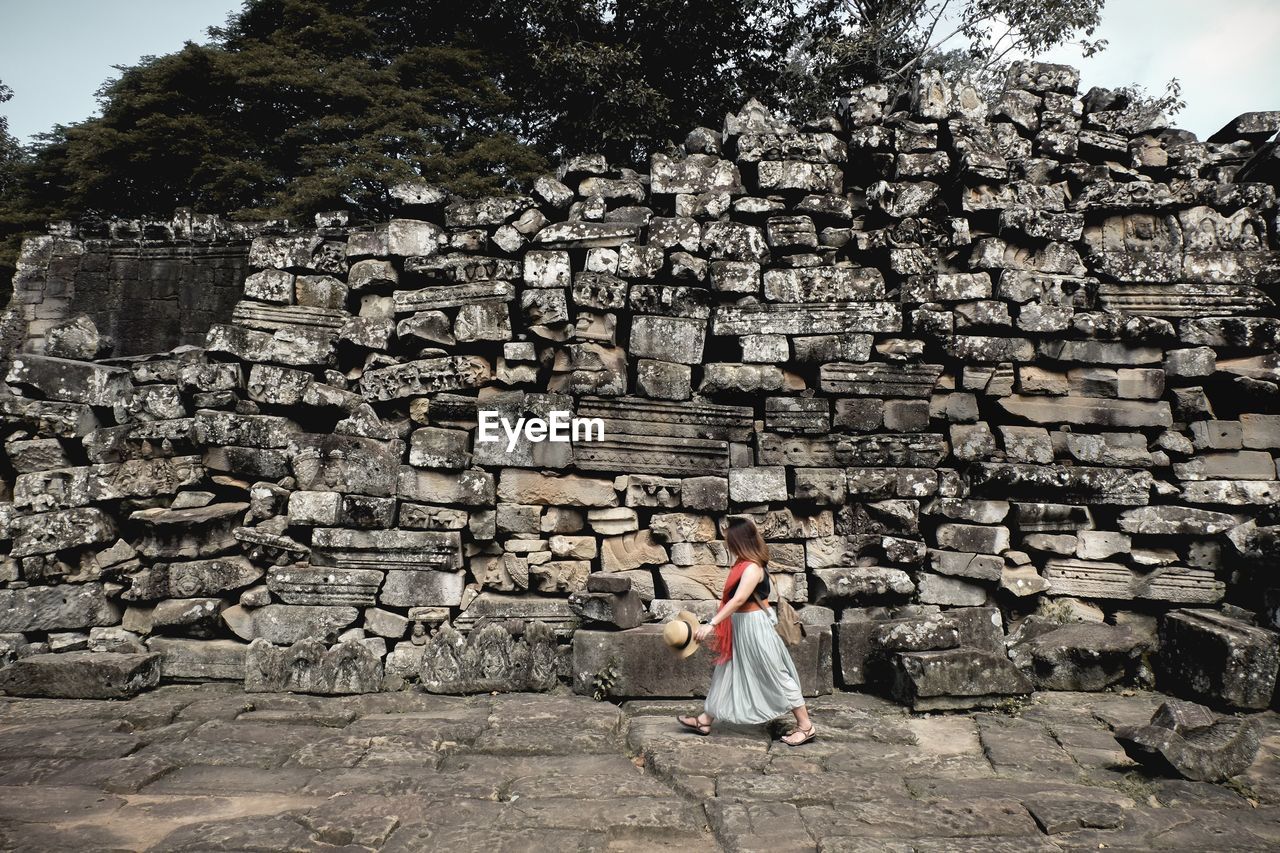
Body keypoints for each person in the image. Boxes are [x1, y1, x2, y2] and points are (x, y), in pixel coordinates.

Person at [676, 517, 816, 745]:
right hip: (741, 626)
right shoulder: (742, 564)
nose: (725, 543)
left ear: (738, 541)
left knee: (775, 672)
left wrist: (711, 624)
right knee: (726, 672)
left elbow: (739, 598)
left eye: (728, 539)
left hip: (755, 626)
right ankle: (704, 719)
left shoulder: (752, 567)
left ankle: (805, 725)